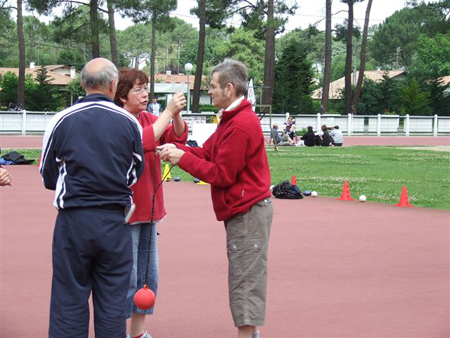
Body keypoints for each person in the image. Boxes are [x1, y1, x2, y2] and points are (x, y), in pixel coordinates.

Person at [157, 59, 273, 338]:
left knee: (244, 278)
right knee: (245, 273)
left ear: (229, 89)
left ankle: (247, 334)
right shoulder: (231, 119)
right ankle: (250, 332)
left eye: (212, 86)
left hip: (247, 212)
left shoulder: (241, 124)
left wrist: (182, 159)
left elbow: (222, 174)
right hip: (242, 210)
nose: (209, 91)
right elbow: (208, 153)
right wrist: (178, 147)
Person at [40, 58, 145, 338]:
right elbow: (135, 173)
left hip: (74, 220)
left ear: (84, 84)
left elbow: (48, 174)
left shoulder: (60, 120)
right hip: (114, 221)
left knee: (69, 300)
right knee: (112, 303)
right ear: (113, 85)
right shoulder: (129, 122)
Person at [113, 68, 188, 338]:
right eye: (138, 89)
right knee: (127, 276)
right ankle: (115, 330)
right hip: (126, 212)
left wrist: (176, 114)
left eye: (146, 89)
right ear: (122, 95)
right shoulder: (119, 120)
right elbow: (143, 140)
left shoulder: (149, 117)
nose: (145, 94)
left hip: (150, 210)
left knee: (147, 276)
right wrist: (168, 112)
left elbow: (177, 137)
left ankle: (137, 332)